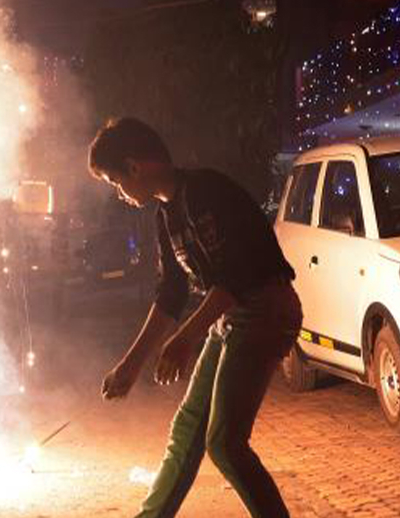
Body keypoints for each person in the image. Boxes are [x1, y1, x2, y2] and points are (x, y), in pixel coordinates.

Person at [90, 117, 300, 518]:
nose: (120, 193)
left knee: (224, 442)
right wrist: (129, 367)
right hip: (232, 317)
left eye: (116, 182)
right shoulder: (166, 216)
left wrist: (186, 337)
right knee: (189, 430)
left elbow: (237, 277)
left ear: (135, 167)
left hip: (267, 309)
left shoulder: (208, 192)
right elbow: (171, 292)